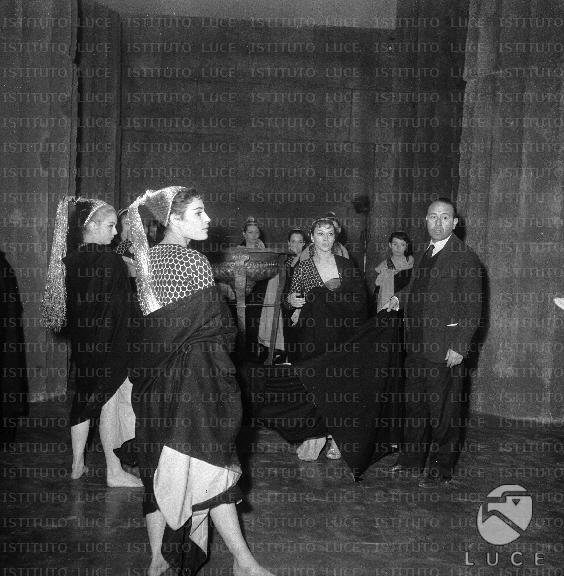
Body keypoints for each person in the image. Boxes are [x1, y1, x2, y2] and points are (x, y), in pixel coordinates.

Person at [127, 186, 275, 576]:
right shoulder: (193, 261)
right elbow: (216, 328)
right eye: (198, 212)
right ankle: (244, 562)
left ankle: (157, 558)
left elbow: (153, 325)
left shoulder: (145, 259)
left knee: (159, 465)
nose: (208, 219)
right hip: (195, 380)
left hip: (155, 382)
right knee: (210, 467)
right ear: (173, 220)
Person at [41, 197, 142, 487]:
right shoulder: (111, 260)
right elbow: (122, 310)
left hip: (84, 345)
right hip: (112, 345)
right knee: (110, 403)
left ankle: (77, 464)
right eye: (110, 226)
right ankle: (114, 471)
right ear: (93, 226)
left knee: (83, 400)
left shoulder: (69, 261)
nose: (115, 232)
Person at [387, 198, 483, 488]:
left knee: (444, 412)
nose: (438, 223)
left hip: (444, 348)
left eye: (445, 218)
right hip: (417, 345)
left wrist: (460, 347)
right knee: (415, 407)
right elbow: (418, 288)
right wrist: (399, 299)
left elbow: (473, 307)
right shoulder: (426, 251)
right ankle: (411, 461)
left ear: (455, 223)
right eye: (433, 217)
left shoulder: (465, 257)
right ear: (426, 220)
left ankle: (442, 469)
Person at [285, 217, 367, 460]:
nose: (325, 239)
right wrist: (291, 301)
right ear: (312, 237)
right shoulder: (303, 267)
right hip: (313, 337)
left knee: (340, 388)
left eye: (330, 234)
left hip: (342, 336)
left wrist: (329, 300)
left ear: (335, 237)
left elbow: (360, 301)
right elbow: (290, 298)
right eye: (320, 233)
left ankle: (339, 440)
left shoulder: (346, 265)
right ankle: (314, 439)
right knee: (316, 387)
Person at [257, 229, 307, 363]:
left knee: (299, 341)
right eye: (293, 241)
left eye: (300, 242)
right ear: (288, 243)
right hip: (286, 305)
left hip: (300, 306)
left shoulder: (306, 262)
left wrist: (299, 308)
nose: (296, 245)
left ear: (304, 244)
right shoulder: (286, 261)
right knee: (288, 338)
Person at [373, 231, 414, 313]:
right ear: (390, 245)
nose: (398, 248)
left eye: (402, 245)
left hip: (403, 303)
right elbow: (378, 286)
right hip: (384, 302)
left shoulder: (411, 262)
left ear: (406, 246)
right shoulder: (384, 265)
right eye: (395, 244)